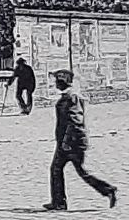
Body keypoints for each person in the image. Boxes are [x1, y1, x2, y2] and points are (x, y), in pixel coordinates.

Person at [44, 69, 116, 212]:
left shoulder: (72, 98)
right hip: (67, 142)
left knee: (80, 171)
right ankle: (59, 202)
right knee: (56, 169)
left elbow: (75, 122)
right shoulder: (68, 97)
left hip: (73, 142)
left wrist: (65, 142)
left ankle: (108, 190)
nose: (55, 84)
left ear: (62, 83)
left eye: (57, 82)